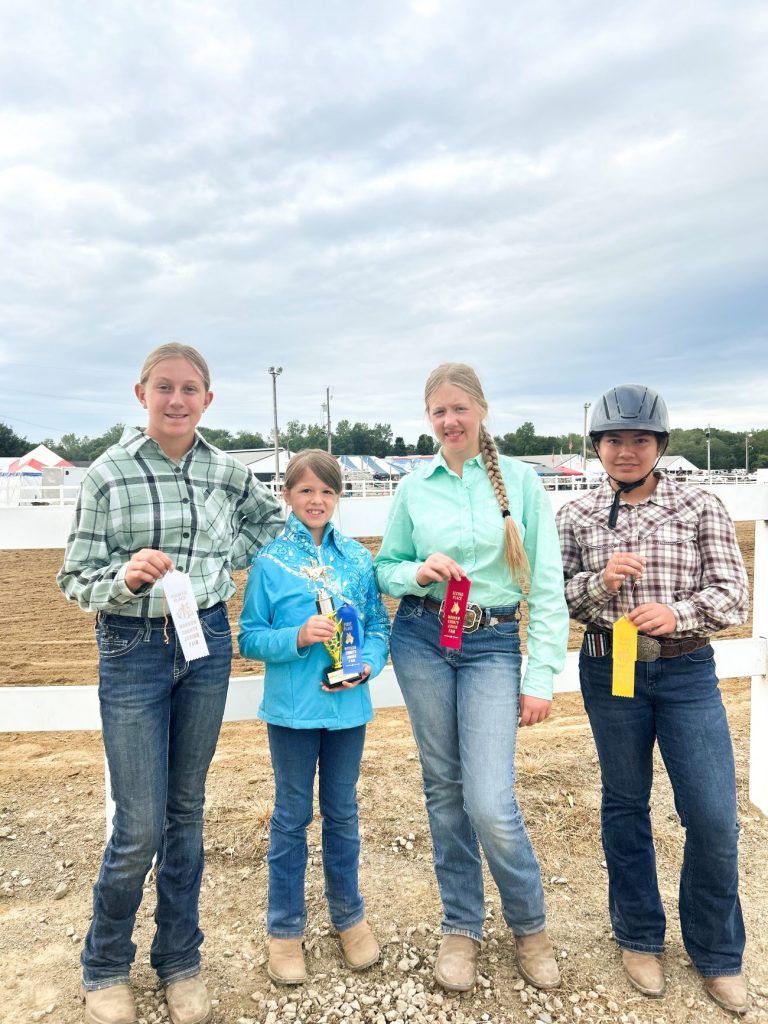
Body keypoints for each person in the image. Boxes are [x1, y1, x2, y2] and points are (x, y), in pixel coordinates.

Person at [57, 343, 283, 1024]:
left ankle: (179, 957)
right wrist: (123, 580)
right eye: (165, 388)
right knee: (140, 821)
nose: (177, 400)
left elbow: (269, 523)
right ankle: (104, 964)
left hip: (205, 642)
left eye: (190, 389)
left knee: (187, 810)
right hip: (132, 647)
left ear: (208, 400)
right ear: (141, 394)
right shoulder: (107, 475)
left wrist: (221, 563)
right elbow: (74, 578)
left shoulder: (224, 470)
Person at [374, 363, 569, 993]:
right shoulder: (414, 487)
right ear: (427, 419)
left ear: (481, 410)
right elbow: (385, 568)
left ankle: (529, 925)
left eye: (459, 409)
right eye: (438, 413)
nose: (449, 421)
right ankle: (461, 924)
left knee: (490, 798)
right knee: (444, 789)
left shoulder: (520, 484)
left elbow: (544, 585)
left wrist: (539, 676)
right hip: (423, 639)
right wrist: (414, 573)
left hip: (490, 643)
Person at [556, 384, 749, 1014]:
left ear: (660, 445)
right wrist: (598, 581)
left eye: (640, 440)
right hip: (610, 667)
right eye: (614, 440)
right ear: (599, 447)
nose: (627, 451)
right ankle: (639, 935)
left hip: (686, 668)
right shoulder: (578, 516)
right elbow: (560, 598)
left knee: (713, 814)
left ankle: (717, 951)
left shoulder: (699, 505)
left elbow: (732, 594)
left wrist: (679, 611)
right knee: (625, 803)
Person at [238, 449, 390, 986]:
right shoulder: (269, 563)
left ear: (338, 496)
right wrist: (298, 637)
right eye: (305, 490)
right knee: (290, 817)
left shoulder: (357, 559)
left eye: (326, 491)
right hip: (292, 713)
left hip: (348, 708)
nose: (316, 500)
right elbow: (249, 636)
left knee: (344, 813)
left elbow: (377, 624)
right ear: (287, 495)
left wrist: (368, 661)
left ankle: (349, 917)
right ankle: (284, 930)